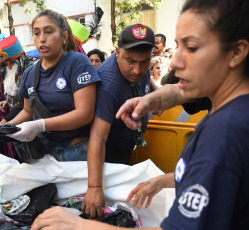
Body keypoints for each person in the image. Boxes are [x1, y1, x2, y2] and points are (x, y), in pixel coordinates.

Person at [31, 0, 249, 229]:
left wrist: (78, 226)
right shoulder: (231, 113)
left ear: (236, 53)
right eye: (178, 46)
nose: (174, 61)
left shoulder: (225, 134)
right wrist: (167, 180)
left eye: (192, 47)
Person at [82, 23, 156, 218]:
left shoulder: (139, 67)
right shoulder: (108, 84)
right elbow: (98, 137)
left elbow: (146, 79)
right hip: (108, 158)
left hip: (127, 147)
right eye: (131, 61)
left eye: (145, 61)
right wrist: (95, 187)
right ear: (117, 53)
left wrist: (156, 95)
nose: (138, 70)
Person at [8, 9, 100, 161]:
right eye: (36, 33)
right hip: (44, 153)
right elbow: (27, 111)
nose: (42, 39)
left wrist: (40, 125)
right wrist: (2, 129)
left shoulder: (77, 62)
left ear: (64, 37)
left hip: (77, 152)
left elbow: (85, 113)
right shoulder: (30, 72)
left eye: (49, 31)